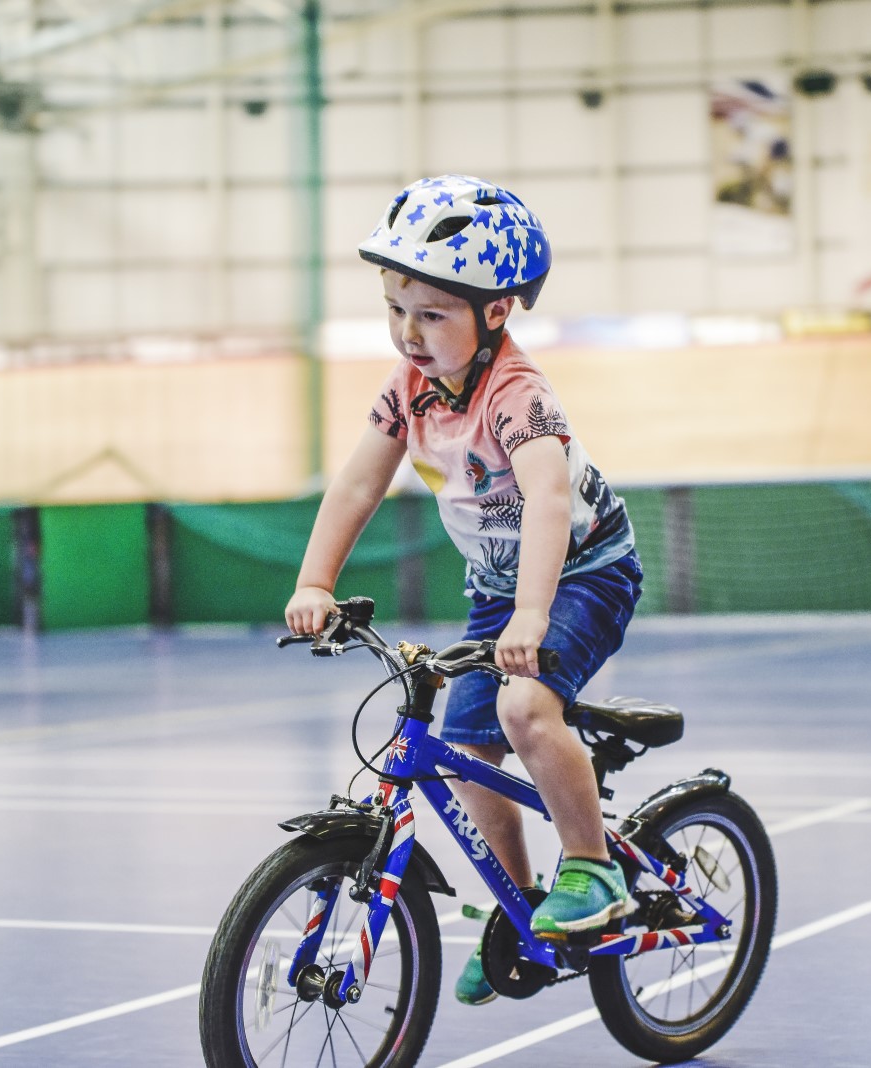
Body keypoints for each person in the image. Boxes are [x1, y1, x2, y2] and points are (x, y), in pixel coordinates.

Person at [284, 175, 642, 1006]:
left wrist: (532, 613)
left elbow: (548, 499)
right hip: (497, 586)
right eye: (395, 309)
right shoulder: (407, 390)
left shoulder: (517, 392)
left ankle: (592, 868)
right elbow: (356, 487)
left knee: (523, 711)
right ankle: (521, 912)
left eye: (432, 314)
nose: (409, 333)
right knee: (469, 748)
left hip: (583, 572)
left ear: (497, 312)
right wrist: (315, 579)